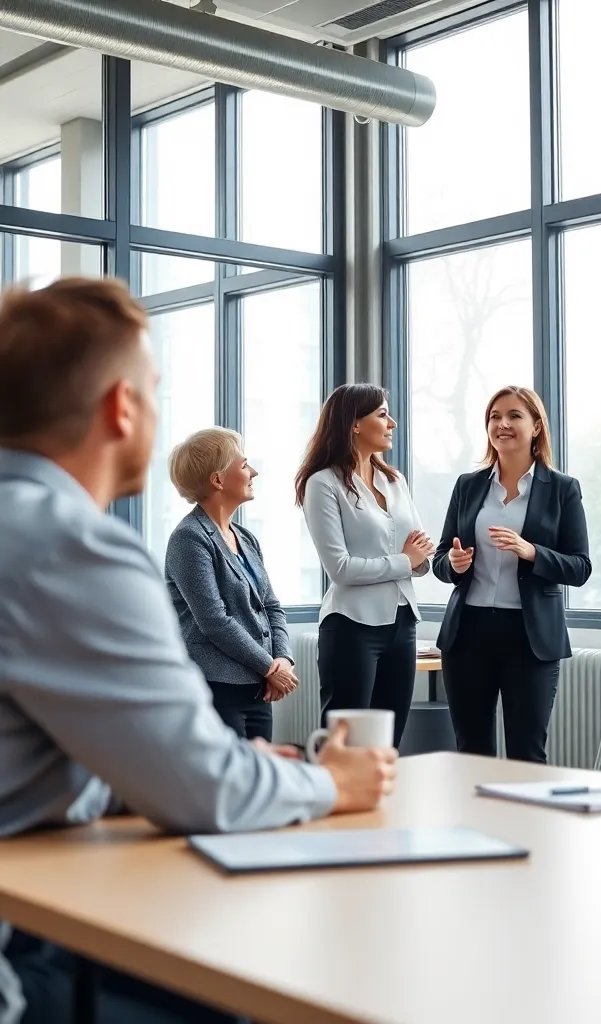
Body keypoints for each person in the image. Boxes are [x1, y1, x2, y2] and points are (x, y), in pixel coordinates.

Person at [0, 278, 397, 1022]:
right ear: (123, 407)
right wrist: (330, 784)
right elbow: (202, 791)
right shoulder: (72, 547)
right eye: (155, 391)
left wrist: (216, 768)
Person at [432, 386, 592, 763]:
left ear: (536, 426)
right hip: (468, 633)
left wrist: (531, 551)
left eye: (514, 416)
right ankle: (473, 824)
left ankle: (524, 825)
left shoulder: (562, 490)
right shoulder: (467, 486)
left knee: (527, 753)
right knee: (470, 752)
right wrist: (453, 564)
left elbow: (581, 567)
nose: (502, 424)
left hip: (530, 637)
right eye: (494, 416)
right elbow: (441, 557)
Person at [297, 383, 433, 746]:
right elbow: (340, 569)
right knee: (348, 744)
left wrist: (414, 560)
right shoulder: (322, 484)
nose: (393, 423)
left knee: (389, 741)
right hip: (351, 627)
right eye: (382, 414)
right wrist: (406, 560)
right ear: (354, 424)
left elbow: (422, 554)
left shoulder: (395, 480)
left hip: (402, 623)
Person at [164, 427, 298, 742]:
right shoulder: (189, 538)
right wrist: (269, 668)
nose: (254, 472)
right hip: (217, 688)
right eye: (244, 465)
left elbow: (271, 606)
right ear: (217, 480)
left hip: (257, 687)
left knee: (260, 784)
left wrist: (283, 659)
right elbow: (214, 620)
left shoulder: (246, 538)